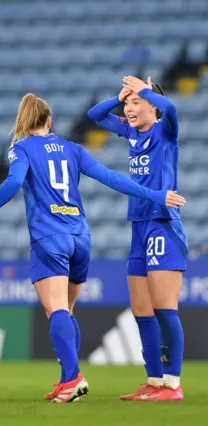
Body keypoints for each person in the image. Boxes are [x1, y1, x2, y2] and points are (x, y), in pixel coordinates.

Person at [0, 93, 186, 403]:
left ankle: (72, 378)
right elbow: (110, 178)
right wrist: (156, 195)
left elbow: (14, 183)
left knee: (55, 310)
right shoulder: (72, 148)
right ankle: (68, 378)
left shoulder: (21, 148)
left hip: (50, 237)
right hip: (80, 237)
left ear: (23, 122)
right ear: (50, 121)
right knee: (66, 312)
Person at [87, 77, 187, 401]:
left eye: (135, 102)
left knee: (164, 308)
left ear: (151, 105)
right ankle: (154, 381)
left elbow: (170, 106)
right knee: (141, 308)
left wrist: (145, 91)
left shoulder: (165, 130)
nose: (129, 109)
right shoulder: (130, 131)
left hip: (162, 224)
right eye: (127, 103)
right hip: (138, 226)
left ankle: (173, 384)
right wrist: (120, 95)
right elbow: (94, 116)